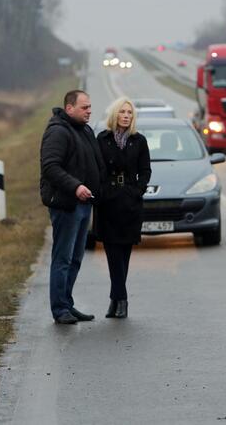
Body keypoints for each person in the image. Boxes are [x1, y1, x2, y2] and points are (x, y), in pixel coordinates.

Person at [40, 90, 105, 324]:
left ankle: (67, 304)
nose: (89, 111)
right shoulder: (58, 132)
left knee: (76, 258)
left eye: (90, 107)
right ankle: (59, 309)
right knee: (63, 258)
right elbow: (50, 166)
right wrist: (76, 187)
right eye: (84, 107)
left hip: (84, 204)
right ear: (69, 109)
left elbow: (95, 163)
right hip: (66, 205)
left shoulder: (85, 130)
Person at [96, 97, 151, 318]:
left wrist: (137, 191)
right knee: (112, 253)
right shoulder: (102, 139)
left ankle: (117, 300)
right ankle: (120, 299)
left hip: (130, 202)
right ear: (114, 115)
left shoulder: (139, 141)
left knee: (124, 253)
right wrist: (102, 192)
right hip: (108, 201)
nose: (127, 115)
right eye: (122, 112)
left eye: (130, 112)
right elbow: (97, 169)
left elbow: (146, 170)